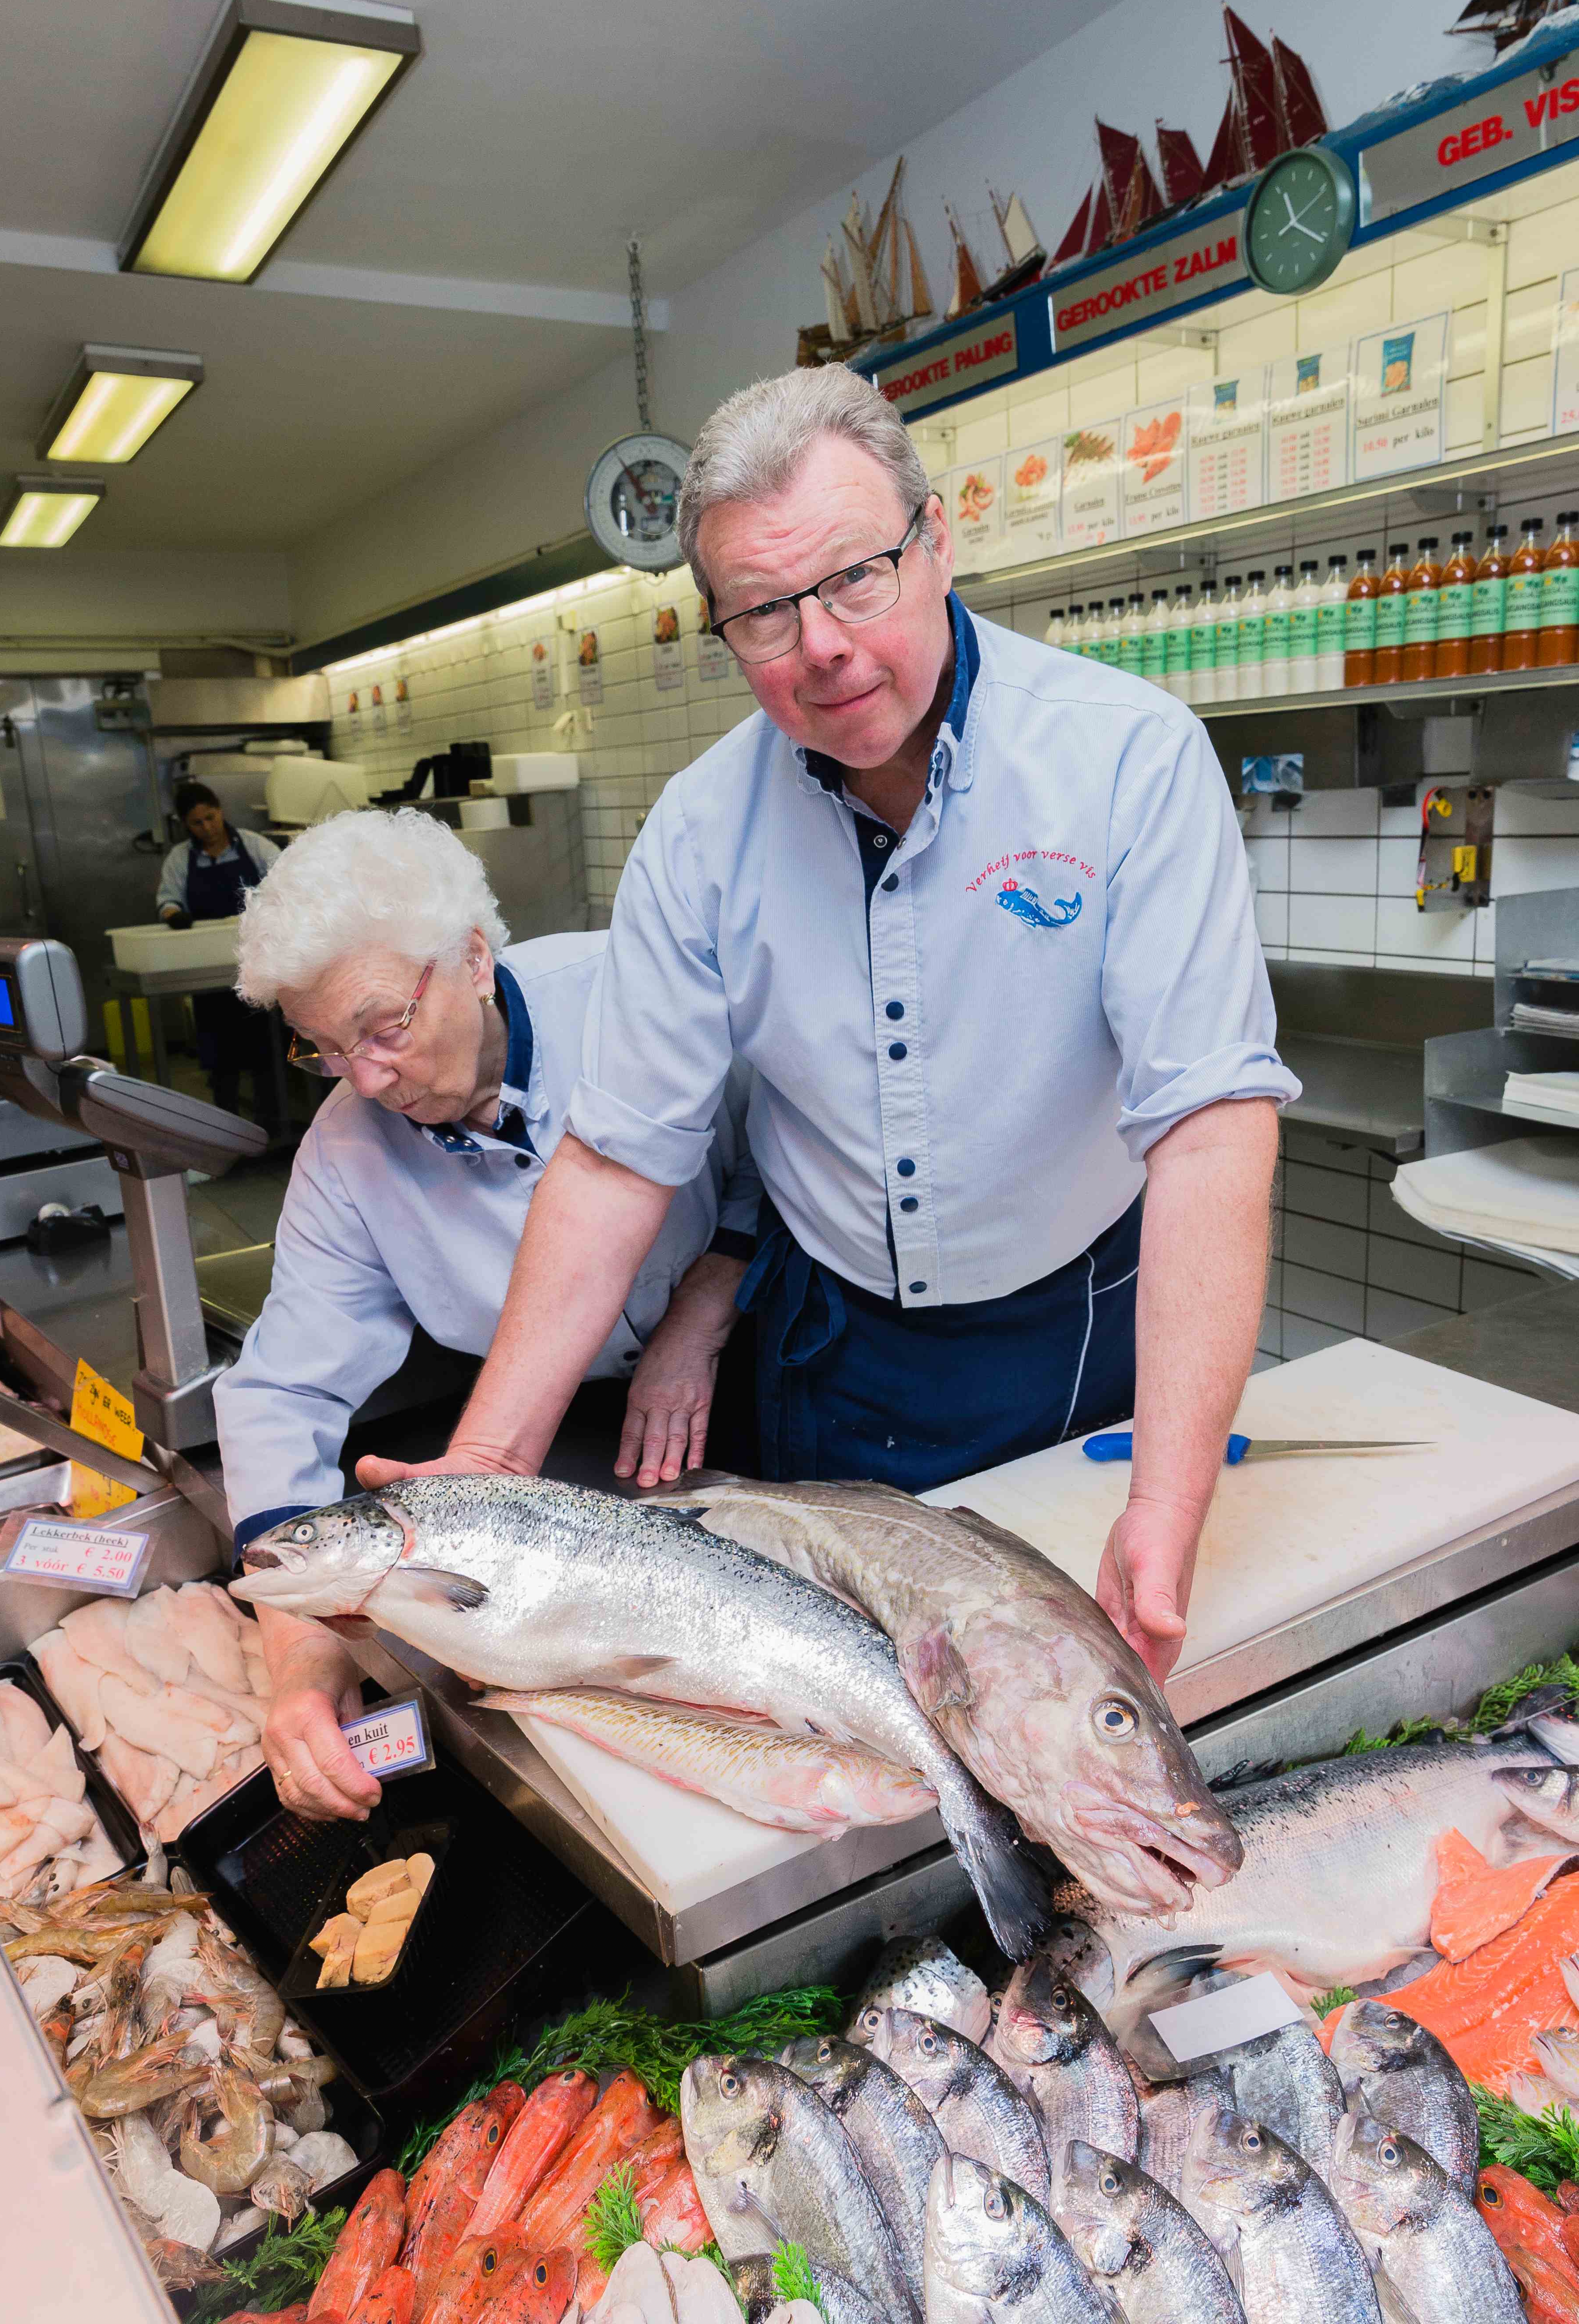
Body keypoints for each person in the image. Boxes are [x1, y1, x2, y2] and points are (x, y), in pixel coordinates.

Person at [360, 366, 1299, 1688]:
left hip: (1073, 1326)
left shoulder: (1124, 760)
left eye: (860, 576)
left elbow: (1209, 1134)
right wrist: (493, 1463)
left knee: (1054, 1698)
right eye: (763, 613)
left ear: (937, 541)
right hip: (831, 1338)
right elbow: (620, 1157)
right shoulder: (696, 834)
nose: (826, 648)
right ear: (720, 630)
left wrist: (1166, 1501)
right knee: (853, 1710)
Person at [217, 807, 757, 1819]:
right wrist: (298, 1647)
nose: (367, 1078)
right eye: (323, 1050)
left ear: (471, 955)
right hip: (572, 1445)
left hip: (758, 1364)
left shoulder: (632, 992)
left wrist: (712, 1289)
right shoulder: (347, 1149)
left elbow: (781, 1138)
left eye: (385, 1027)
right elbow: (284, 1385)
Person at [157, 780, 283, 1125]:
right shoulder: (181, 858)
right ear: (186, 825)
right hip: (207, 967)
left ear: (220, 812)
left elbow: (286, 882)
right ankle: (226, 1127)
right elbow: (167, 899)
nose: (208, 828)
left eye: (211, 818)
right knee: (219, 1053)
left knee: (263, 1049)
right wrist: (174, 915)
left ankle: (272, 1126)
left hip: (256, 962)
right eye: (198, 823)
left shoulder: (254, 846)